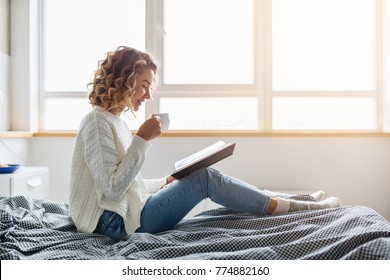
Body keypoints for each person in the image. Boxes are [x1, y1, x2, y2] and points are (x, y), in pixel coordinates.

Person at [69, 46, 340, 242]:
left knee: (198, 176)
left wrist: (165, 180)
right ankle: (298, 207)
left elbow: (127, 185)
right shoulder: (97, 122)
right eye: (143, 85)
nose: (147, 95)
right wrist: (141, 139)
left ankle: (294, 200)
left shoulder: (113, 120)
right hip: (112, 224)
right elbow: (113, 189)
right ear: (124, 81)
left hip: (124, 212)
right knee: (206, 179)